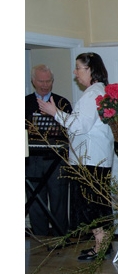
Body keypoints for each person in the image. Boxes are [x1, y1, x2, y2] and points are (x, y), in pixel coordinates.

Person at [37, 52, 115, 261]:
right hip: (93, 158)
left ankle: (101, 246)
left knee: (93, 204)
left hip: (91, 159)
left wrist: (55, 112)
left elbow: (79, 127)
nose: (75, 72)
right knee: (95, 203)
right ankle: (101, 244)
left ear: (90, 69)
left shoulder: (93, 94)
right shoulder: (97, 92)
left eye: (78, 68)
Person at [25, 64, 73, 236]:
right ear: (33, 81)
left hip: (57, 160)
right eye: (40, 81)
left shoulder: (62, 102)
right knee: (36, 202)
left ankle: (62, 236)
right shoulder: (24, 103)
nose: (45, 85)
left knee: (59, 199)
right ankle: (40, 237)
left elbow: (71, 130)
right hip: (32, 160)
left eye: (48, 81)